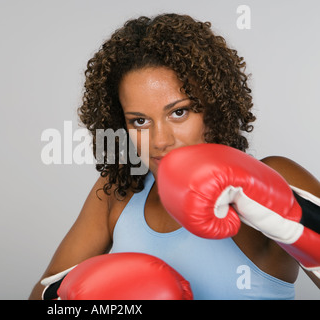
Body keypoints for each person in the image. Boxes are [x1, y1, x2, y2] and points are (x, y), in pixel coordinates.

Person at [29, 13, 320, 300]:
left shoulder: (274, 176)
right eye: (139, 121)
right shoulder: (119, 191)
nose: (160, 141)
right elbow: (41, 296)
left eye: (178, 112)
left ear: (213, 106)